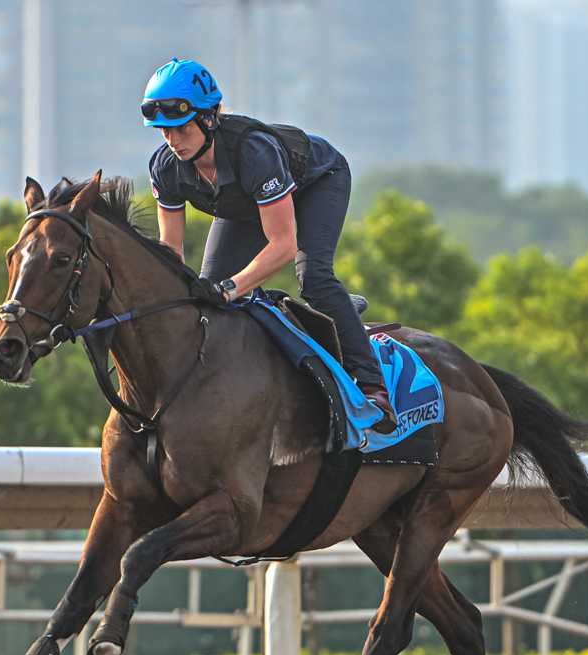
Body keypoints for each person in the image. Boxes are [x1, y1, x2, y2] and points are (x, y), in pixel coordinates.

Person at [142, 58, 397, 434]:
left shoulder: (254, 151)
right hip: (245, 203)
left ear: (209, 119)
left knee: (313, 277)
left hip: (317, 183)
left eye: (180, 128)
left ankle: (372, 384)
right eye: (163, 131)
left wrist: (230, 288)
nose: (172, 140)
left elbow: (283, 246)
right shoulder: (164, 166)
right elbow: (171, 249)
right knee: (206, 294)